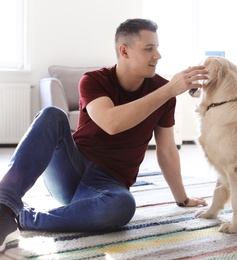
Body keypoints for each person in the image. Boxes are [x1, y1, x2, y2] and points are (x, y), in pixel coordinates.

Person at [0, 18, 208, 252]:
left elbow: (168, 151)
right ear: (124, 51)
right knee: (51, 115)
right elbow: (111, 123)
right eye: (149, 48)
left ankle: (27, 218)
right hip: (71, 170)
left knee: (122, 206)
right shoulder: (94, 80)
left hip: (108, 183)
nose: (157, 55)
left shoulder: (162, 93)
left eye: (157, 47)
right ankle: (4, 207)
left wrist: (182, 198)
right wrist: (168, 90)